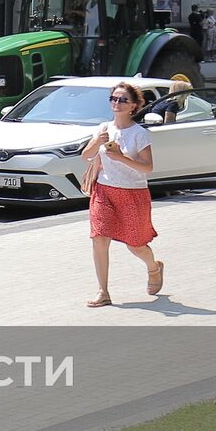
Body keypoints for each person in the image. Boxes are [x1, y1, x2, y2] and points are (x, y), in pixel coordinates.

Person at [81, 80, 163, 307]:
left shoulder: (139, 134)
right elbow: (85, 156)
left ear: (134, 106)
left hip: (132, 193)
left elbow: (147, 167)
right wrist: (96, 142)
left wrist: (120, 157)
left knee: (135, 244)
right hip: (104, 191)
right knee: (99, 238)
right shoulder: (103, 129)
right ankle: (103, 291)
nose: (116, 103)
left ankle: (154, 267)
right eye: (113, 99)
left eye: (122, 100)